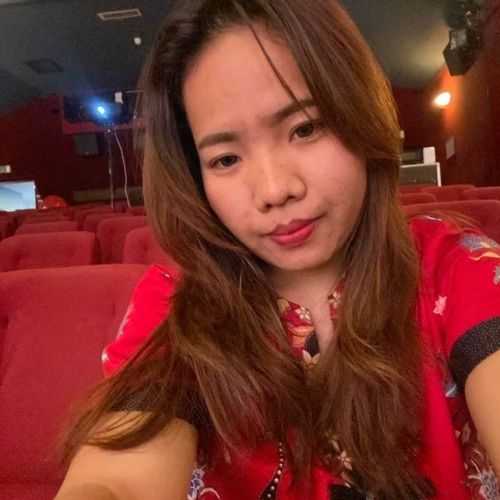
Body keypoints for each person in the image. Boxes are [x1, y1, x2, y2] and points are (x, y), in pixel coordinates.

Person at [55, 1, 500, 499]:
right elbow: (116, 478)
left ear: (359, 114)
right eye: (226, 159)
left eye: (305, 129)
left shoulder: (453, 265)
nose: (274, 189)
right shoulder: (176, 307)